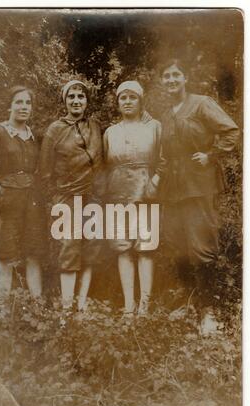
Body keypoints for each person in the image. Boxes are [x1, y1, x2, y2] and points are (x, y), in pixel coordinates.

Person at [158, 59, 239, 329]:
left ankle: (209, 312)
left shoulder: (201, 103)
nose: (171, 80)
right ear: (162, 82)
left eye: (175, 75)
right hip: (174, 190)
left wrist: (211, 155)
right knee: (177, 245)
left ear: (185, 78)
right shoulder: (167, 114)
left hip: (199, 187)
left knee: (201, 247)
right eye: (166, 76)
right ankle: (189, 304)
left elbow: (232, 131)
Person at [40, 79, 103, 312]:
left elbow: (101, 162)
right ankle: (67, 308)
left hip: (93, 197)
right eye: (71, 97)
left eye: (81, 97)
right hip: (66, 197)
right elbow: (45, 170)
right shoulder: (54, 129)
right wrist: (56, 197)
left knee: (91, 247)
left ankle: (82, 304)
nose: (76, 101)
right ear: (65, 101)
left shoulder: (95, 126)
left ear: (86, 101)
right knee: (69, 248)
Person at [103, 80, 165, 315]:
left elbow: (164, 158)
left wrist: (154, 182)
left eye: (132, 97)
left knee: (145, 247)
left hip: (146, 191)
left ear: (140, 101)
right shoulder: (111, 132)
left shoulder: (154, 127)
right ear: (118, 103)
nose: (127, 102)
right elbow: (105, 166)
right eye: (123, 98)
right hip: (118, 193)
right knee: (123, 248)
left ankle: (144, 307)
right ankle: (129, 306)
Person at [0, 85, 46, 298]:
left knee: (33, 253)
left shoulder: (33, 135)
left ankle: (37, 305)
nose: (23, 107)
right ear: (10, 105)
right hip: (8, 198)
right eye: (19, 102)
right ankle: (2, 309)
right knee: (5, 254)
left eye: (27, 103)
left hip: (31, 200)